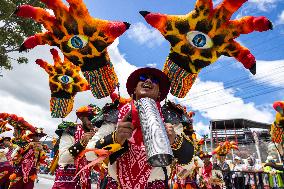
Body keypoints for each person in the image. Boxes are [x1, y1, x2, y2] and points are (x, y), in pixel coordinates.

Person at [86, 67, 194, 189]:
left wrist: (174, 140)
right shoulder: (116, 114)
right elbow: (89, 154)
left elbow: (188, 163)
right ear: (134, 89)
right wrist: (115, 138)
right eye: (142, 78)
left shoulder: (170, 117)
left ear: (159, 93)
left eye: (154, 80)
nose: (148, 81)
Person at [51, 104, 100, 189]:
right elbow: (63, 159)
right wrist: (82, 143)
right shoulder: (70, 129)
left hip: (84, 181)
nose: (93, 123)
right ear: (82, 118)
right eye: (91, 118)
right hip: (66, 182)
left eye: (97, 120)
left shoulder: (97, 135)